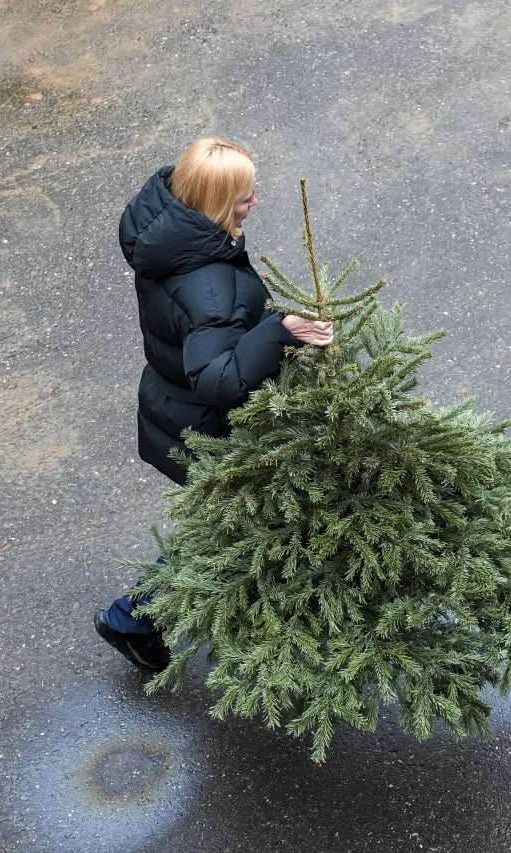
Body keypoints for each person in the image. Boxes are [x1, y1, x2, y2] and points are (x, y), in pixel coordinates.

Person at [94, 136, 332, 671]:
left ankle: (135, 617)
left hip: (172, 407)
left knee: (225, 526)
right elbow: (219, 380)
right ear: (218, 203)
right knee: (231, 532)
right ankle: (130, 618)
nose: (255, 201)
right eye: (246, 196)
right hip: (209, 427)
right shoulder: (210, 285)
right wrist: (281, 331)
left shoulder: (169, 235)